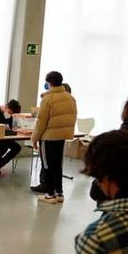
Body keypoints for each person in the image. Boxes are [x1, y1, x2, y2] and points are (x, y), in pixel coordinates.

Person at [31, 71, 77, 203]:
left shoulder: (48, 99)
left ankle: (50, 194)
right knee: (57, 165)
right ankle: (59, 193)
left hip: (48, 137)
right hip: (61, 137)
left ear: (49, 83)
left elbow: (41, 122)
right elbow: (72, 116)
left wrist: (34, 138)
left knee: (47, 165)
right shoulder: (69, 97)